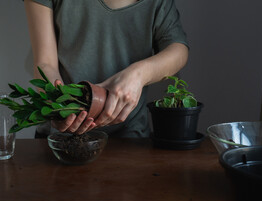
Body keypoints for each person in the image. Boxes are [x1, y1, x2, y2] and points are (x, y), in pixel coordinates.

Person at [24, 0, 189, 138]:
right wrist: (58, 109)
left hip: (129, 139)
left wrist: (139, 74)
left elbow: (178, 49)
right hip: (60, 137)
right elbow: (45, 63)